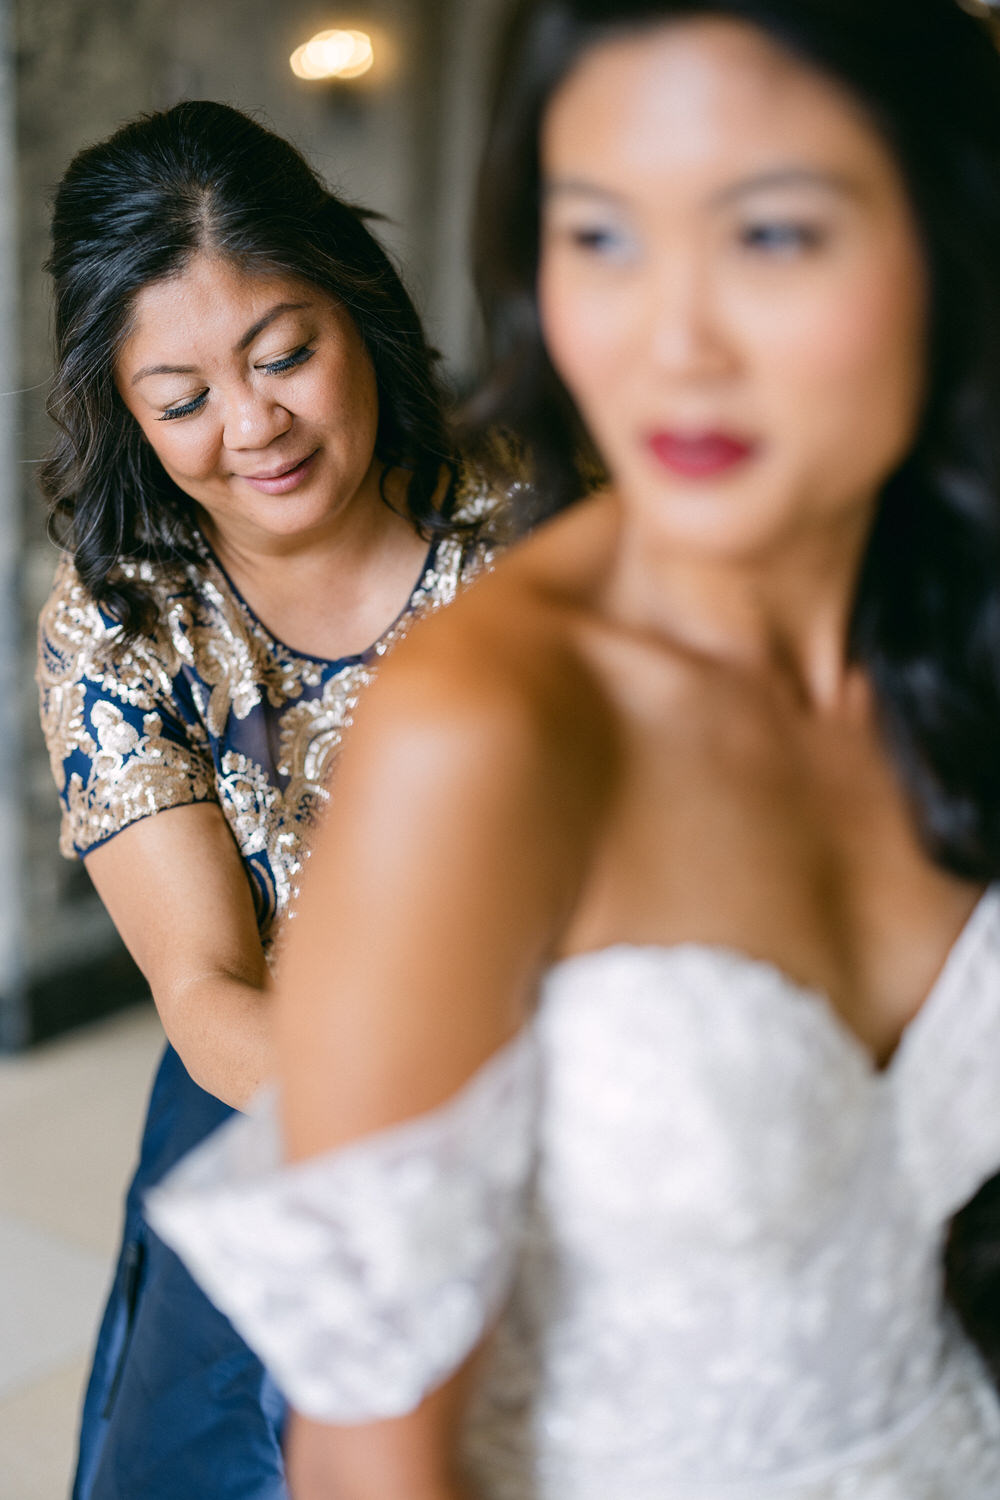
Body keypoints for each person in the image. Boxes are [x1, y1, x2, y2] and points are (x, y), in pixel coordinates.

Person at [150, 2, 1000, 1496]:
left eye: (771, 236)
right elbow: (377, 1457)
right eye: (600, 238)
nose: (672, 343)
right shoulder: (485, 726)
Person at [36, 100, 502, 1500]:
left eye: (284, 352)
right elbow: (203, 988)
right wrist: (421, 1123)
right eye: (181, 399)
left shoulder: (534, 525)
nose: (254, 425)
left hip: (575, 1086)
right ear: (126, 414)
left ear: (357, 307)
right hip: (271, 1108)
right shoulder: (124, 622)